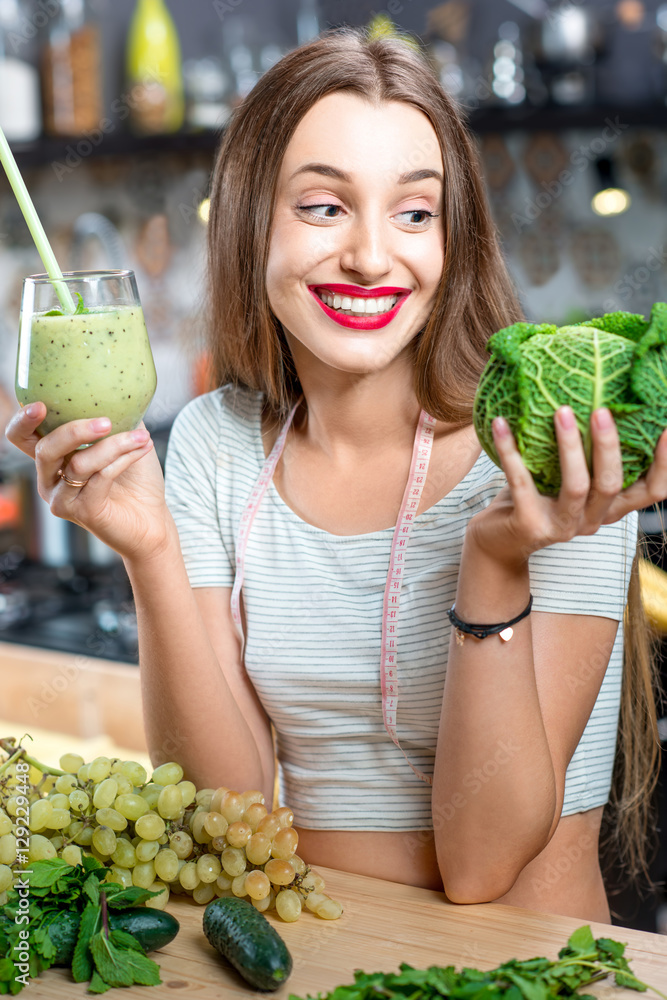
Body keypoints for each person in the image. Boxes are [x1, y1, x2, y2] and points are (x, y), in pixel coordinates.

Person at [6, 29, 665, 922]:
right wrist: (150, 551)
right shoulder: (215, 443)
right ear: (248, 221)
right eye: (323, 207)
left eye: (414, 212)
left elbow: (479, 867)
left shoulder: (553, 454)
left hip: (526, 973)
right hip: (315, 960)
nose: (369, 255)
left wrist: (496, 560)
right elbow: (227, 815)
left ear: (450, 237)